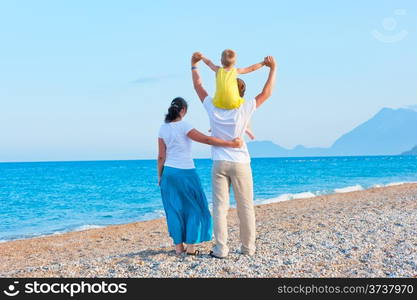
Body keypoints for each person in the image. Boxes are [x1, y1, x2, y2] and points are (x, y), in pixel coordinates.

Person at [191, 53, 277, 258]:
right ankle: (248, 248)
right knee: (245, 207)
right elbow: (266, 93)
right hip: (240, 162)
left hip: (220, 162)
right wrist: (272, 69)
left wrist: (194, 65)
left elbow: (198, 87)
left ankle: (221, 249)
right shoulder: (243, 108)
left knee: (220, 208)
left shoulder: (212, 107)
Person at [158, 97, 243, 255]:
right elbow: (206, 139)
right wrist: (231, 144)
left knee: (174, 210)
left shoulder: (163, 128)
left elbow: (161, 157)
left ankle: (178, 248)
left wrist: (159, 176)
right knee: (195, 208)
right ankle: (190, 248)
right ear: (183, 110)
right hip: (186, 172)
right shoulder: (185, 126)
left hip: (169, 173)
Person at [197, 49, 265, 140]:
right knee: (244, 108)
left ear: (221, 61)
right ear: (235, 62)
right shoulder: (236, 71)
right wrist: (263, 63)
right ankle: (247, 128)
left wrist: (202, 57)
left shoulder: (217, 70)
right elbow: (251, 68)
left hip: (218, 102)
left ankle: (213, 126)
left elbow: (209, 63)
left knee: (214, 111)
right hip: (233, 102)